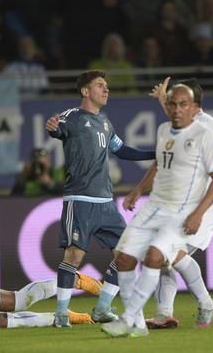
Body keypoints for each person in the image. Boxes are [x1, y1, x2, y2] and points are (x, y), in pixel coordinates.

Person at [100, 83, 213, 338]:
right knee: (164, 258)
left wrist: (199, 213)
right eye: (172, 102)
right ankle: (164, 313)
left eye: (180, 102)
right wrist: (138, 190)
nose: (173, 106)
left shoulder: (206, 126)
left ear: (195, 106)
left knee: (171, 254)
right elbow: (161, 162)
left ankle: (207, 303)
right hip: (176, 204)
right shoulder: (171, 129)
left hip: (202, 204)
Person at [45, 70, 156, 327]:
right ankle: (61, 314)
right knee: (73, 257)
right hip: (80, 199)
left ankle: (103, 307)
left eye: (106, 86)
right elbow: (56, 129)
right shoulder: (71, 117)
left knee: (127, 254)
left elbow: (124, 151)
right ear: (85, 91)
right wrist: (52, 129)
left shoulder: (105, 124)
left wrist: (155, 152)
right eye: (100, 86)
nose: (106, 90)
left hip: (106, 203)